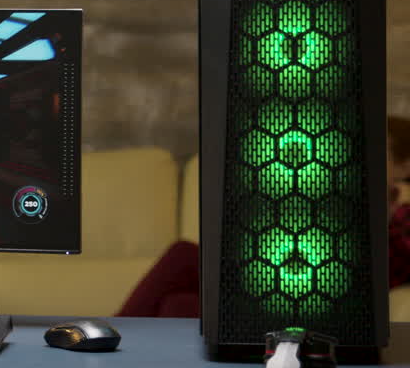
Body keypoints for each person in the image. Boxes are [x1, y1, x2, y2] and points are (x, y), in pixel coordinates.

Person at [118, 116, 410, 318]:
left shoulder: (402, 214)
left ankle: (113, 338)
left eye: (375, 149)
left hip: (318, 296)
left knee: (183, 255)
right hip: (275, 281)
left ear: (403, 166)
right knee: (179, 305)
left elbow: (373, 265)